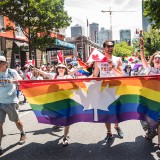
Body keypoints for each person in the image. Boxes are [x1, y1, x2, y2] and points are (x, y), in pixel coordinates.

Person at [93, 40, 124, 143]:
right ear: (104, 48)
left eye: (112, 46)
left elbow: (121, 75)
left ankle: (116, 126)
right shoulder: (98, 61)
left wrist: (113, 67)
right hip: (104, 90)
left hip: (116, 89)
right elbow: (95, 76)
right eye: (108, 46)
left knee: (116, 112)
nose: (110, 48)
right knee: (106, 112)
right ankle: (109, 132)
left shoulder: (118, 59)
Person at [0, 56, 26, 155]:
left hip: (11, 101)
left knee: (16, 121)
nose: (0, 65)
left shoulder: (11, 72)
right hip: (0, 102)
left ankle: (22, 133)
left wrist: (13, 81)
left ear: (4, 63)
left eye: (1, 63)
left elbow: (20, 80)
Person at [139, 38, 160, 150]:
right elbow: (142, 57)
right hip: (146, 100)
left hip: (158, 100)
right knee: (144, 119)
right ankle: (150, 132)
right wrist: (141, 47)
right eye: (156, 58)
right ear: (153, 60)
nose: (158, 59)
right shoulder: (148, 69)